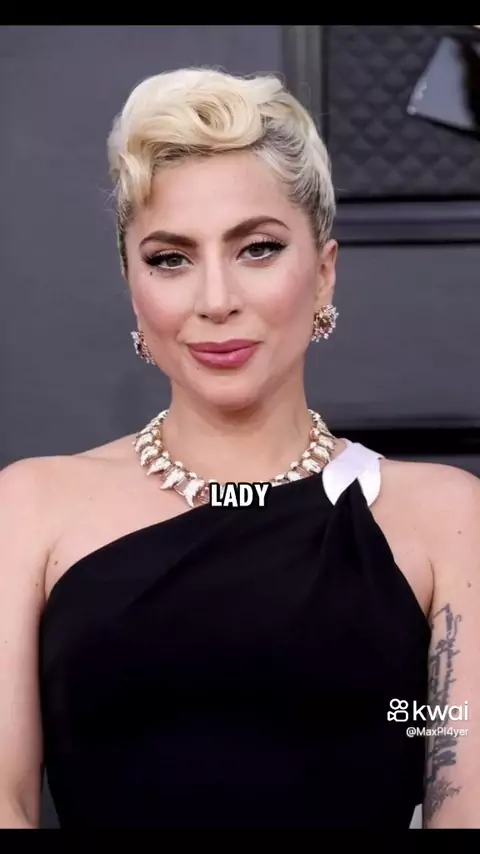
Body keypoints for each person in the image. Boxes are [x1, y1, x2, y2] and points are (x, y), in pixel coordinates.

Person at [0, 66, 479, 830]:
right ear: (132, 286)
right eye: (170, 258)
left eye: (257, 249)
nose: (216, 300)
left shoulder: (448, 521)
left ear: (323, 274)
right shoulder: (29, 509)